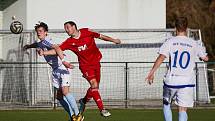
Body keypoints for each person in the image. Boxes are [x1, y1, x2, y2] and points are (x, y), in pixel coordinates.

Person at [39, 21, 121, 117]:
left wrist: (114, 40)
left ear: (74, 27)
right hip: (85, 66)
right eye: (65, 28)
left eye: (67, 27)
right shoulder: (69, 42)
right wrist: (44, 53)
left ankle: (83, 101)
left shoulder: (87, 31)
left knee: (95, 87)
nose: (66, 30)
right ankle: (102, 109)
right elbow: (58, 49)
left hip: (96, 62)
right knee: (94, 84)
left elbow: (101, 36)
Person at [145, 17, 208, 121]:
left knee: (166, 104)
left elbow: (161, 57)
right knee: (183, 109)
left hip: (171, 80)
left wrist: (152, 72)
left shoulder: (170, 41)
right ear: (187, 28)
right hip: (186, 82)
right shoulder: (193, 43)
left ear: (175, 28)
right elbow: (205, 58)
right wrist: (203, 57)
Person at [23, 22, 84, 121]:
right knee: (59, 97)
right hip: (56, 70)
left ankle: (78, 115)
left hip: (63, 67)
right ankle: (73, 116)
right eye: (37, 31)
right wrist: (28, 46)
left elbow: (57, 48)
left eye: (41, 31)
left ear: (46, 32)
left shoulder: (47, 41)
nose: (38, 33)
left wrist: (46, 53)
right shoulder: (41, 42)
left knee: (65, 91)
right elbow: (37, 44)